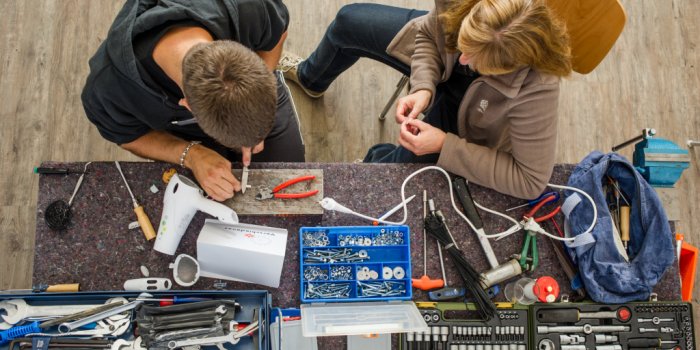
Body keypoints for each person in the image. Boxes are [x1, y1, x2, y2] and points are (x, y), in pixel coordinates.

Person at [280, 0, 572, 199]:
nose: (463, 58)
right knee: (348, 21)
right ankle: (310, 78)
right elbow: (428, 37)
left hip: (472, 125)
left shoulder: (539, 87)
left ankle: (373, 162)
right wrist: (422, 86)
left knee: (390, 172)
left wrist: (446, 145)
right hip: (439, 74)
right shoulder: (462, 6)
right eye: (462, 44)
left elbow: (530, 181)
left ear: (510, 65)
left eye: (474, 59)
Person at [82, 0, 304, 201]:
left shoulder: (250, 6)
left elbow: (277, 35)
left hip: (255, 103)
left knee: (291, 188)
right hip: (181, 135)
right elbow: (128, 137)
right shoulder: (108, 90)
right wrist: (191, 155)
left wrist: (257, 119)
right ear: (186, 106)